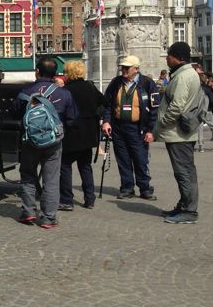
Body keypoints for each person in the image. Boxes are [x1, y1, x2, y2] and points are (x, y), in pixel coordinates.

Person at [12, 57, 78, 229]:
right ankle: (48, 218)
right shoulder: (64, 93)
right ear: (55, 74)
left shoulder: (26, 91)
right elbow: (72, 118)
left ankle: (28, 212)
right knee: (51, 179)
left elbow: (15, 112)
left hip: (30, 141)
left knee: (27, 175)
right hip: (53, 142)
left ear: (37, 72)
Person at [154, 42, 201, 224]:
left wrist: (162, 122)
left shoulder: (183, 77)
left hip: (178, 132)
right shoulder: (185, 74)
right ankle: (184, 205)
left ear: (178, 57)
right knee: (184, 171)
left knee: (184, 172)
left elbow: (177, 106)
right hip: (180, 132)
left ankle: (189, 211)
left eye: (169, 55)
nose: (167, 58)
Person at [101, 55, 158, 200]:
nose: (124, 70)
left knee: (140, 159)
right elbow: (107, 104)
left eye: (127, 67)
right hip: (119, 127)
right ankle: (127, 188)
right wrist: (106, 121)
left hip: (138, 128)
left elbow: (154, 109)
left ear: (136, 69)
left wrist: (150, 130)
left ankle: (145, 188)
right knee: (123, 159)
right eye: (123, 67)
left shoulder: (147, 83)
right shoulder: (116, 82)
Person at [59, 61, 104, 210]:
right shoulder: (91, 87)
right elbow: (104, 103)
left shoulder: (66, 90)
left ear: (69, 73)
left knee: (65, 166)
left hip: (71, 134)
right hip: (88, 134)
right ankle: (89, 198)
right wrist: (96, 115)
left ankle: (66, 200)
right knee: (85, 166)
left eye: (65, 72)